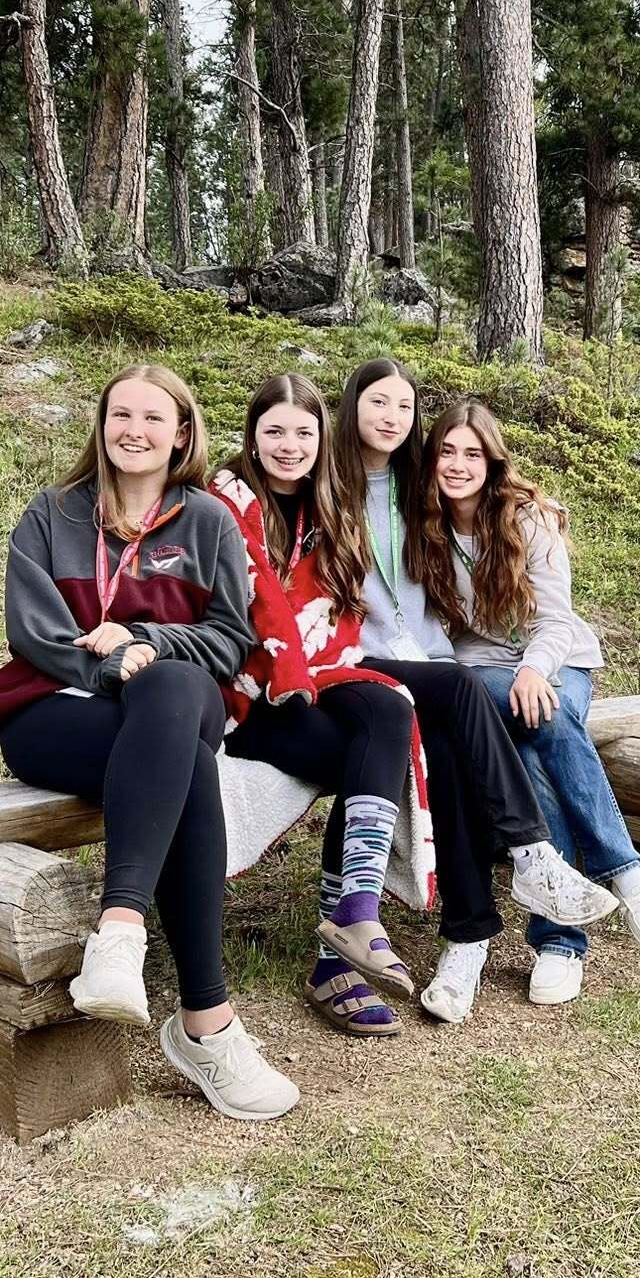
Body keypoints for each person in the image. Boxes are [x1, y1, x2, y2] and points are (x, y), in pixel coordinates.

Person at [0, 364, 298, 1122]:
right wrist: (109, 667)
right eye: (120, 413)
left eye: (154, 418)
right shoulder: (52, 513)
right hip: (54, 715)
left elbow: (229, 637)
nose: (135, 430)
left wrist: (146, 641)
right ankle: (206, 1028)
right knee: (183, 758)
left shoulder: (207, 522)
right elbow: (32, 630)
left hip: (162, 710)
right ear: (102, 424)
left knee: (174, 685)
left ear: (181, 433)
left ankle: (119, 935)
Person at [333, 357, 618, 1024]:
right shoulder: (327, 484)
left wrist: (529, 507)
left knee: (480, 744)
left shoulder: (417, 486)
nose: (390, 418)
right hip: (368, 662)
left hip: (439, 662)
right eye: (377, 403)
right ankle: (533, 864)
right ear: (351, 410)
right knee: (470, 703)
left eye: (404, 408)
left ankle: (479, 934)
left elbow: (494, 536)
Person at [417, 399, 640, 1006]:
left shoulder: (527, 520)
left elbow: (557, 622)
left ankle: (569, 933)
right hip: (475, 674)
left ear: (493, 461)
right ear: (430, 458)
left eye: (472, 453)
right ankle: (618, 885)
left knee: (545, 724)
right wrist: (504, 675)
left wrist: (536, 669)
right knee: (536, 730)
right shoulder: (421, 527)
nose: (458, 465)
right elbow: (436, 633)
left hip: (559, 659)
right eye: (447, 452)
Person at [208, 374, 429, 1038]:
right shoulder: (227, 498)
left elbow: (341, 620)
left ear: (320, 439)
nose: (289, 445)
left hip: (308, 679)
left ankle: (355, 916)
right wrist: (292, 673)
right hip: (243, 695)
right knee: (373, 756)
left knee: (389, 715)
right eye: (274, 430)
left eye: (304, 433)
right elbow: (261, 601)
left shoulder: (324, 509)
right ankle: (336, 959)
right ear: (252, 435)